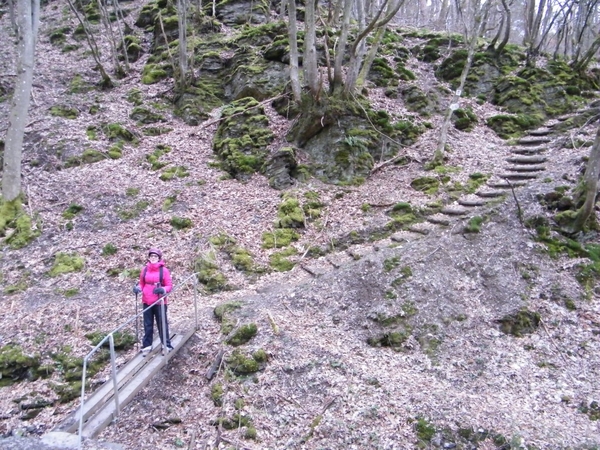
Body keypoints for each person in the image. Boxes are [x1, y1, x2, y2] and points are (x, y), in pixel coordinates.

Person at [133, 248, 173, 356]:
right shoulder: (145, 269)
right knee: (147, 324)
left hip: (159, 301)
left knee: (161, 324)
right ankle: (147, 346)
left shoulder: (163, 270)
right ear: (149, 258)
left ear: (159, 258)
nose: (153, 258)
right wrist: (138, 288)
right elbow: (142, 283)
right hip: (146, 300)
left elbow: (169, 285)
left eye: (155, 256)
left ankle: (166, 345)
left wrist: (163, 290)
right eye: (151, 256)